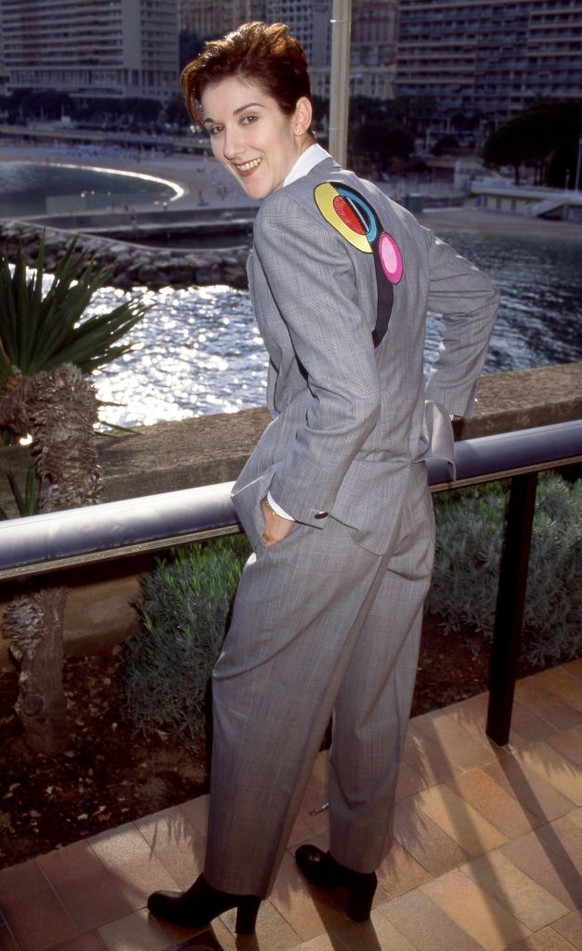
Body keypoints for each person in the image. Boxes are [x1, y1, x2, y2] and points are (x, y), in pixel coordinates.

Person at [148, 20, 499, 936]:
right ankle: (352, 865)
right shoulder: (367, 199)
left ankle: (231, 881)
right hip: (401, 504)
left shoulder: (285, 221)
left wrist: (280, 504)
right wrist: (437, 411)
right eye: (215, 129)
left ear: (301, 113)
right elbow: (475, 300)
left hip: (332, 506)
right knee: (373, 692)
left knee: (254, 693)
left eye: (250, 118)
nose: (231, 148)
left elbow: (339, 395)